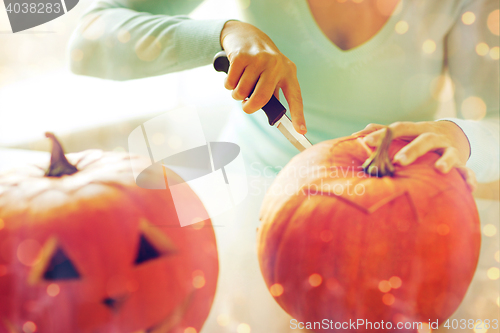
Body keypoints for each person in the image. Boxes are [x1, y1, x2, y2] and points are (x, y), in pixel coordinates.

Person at [69, 0, 499, 331]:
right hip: (255, 221)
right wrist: (225, 34)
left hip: (403, 237)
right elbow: (87, 40)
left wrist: (459, 137)